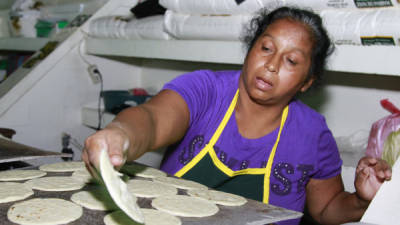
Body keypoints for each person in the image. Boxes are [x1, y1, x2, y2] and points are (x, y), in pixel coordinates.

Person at [82, 6, 392, 225]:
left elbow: (326, 210)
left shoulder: (312, 133)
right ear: (250, 49)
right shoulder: (206, 90)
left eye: (291, 60)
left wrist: (362, 201)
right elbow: (153, 118)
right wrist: (121, 135)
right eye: (266, 48)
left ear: (307, 81)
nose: (271, 65)